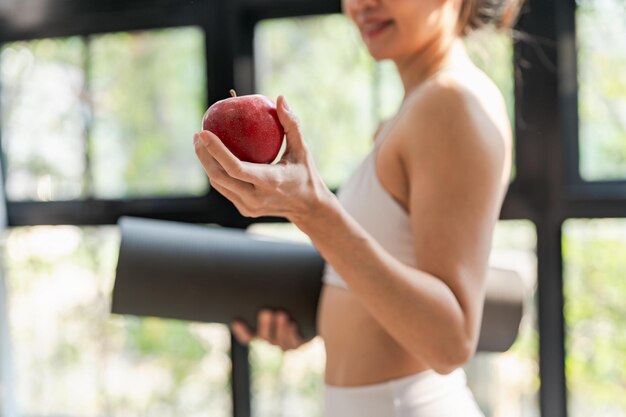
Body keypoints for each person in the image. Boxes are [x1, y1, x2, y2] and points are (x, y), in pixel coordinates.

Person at [193, 0, 523, 415]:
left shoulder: (452, 103)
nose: (361, 4)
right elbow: (388, 287)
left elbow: (450, 341)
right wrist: (316, 319)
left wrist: (312, 212)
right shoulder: (410, 112)